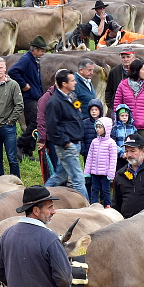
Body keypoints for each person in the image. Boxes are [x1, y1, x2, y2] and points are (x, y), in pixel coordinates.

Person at [43, 69, 89, 200]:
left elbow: (77, 109)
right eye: (72, 80)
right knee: (78, 179)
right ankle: (88, 207)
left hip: (75, 142)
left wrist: (78, 111)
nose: (75, 82)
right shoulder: (54, 103)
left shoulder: (72, 96)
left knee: (60, 176)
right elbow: (52, 126)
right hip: (67, 146)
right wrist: (66, 142)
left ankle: (40, 196)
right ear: (64, 83)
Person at [8, 36, 47, 161]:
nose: (43, 53)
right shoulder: (26, 59)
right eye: (42, 50)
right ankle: (19, 145)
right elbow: (13, 71)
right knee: (35, 123)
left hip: (35, 96)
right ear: (34, 49)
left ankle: (27, 151)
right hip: (29, 98)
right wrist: (24, 85)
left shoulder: (34, 60)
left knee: (34, 124)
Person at [112, 58, 144, 145]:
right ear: (137, 70)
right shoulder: (123, 85)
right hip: (125, 127)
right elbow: (117, 105)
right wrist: (121, 119)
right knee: (127, 153)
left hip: (143, 127)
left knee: (143, 154)